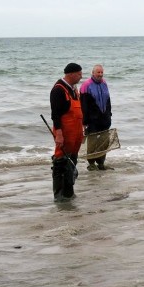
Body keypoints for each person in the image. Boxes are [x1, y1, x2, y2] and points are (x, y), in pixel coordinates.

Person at [49, 63, 84, 200]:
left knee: (72, 160)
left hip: (76, 133)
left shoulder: (74, 89)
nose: (81, 77)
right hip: (64, 132)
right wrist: (59, 134)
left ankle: (69, 192)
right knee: (61, 162)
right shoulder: (58, 90)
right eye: (79, 74)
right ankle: (59, 195)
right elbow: (55, 115)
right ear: (70, 74)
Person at [79, 64, 113, 170]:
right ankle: (91, 164)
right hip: (92, 120)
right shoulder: (86, 85)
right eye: (98, 72)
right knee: (92, 142)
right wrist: (84, 122)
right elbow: (83, 105)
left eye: (102, 72)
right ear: (93, 73)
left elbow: (108, 100)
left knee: (104, 141)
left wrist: (109, 114)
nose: (100, 74)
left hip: (104, 119)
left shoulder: (104, 83)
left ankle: (101, 163)